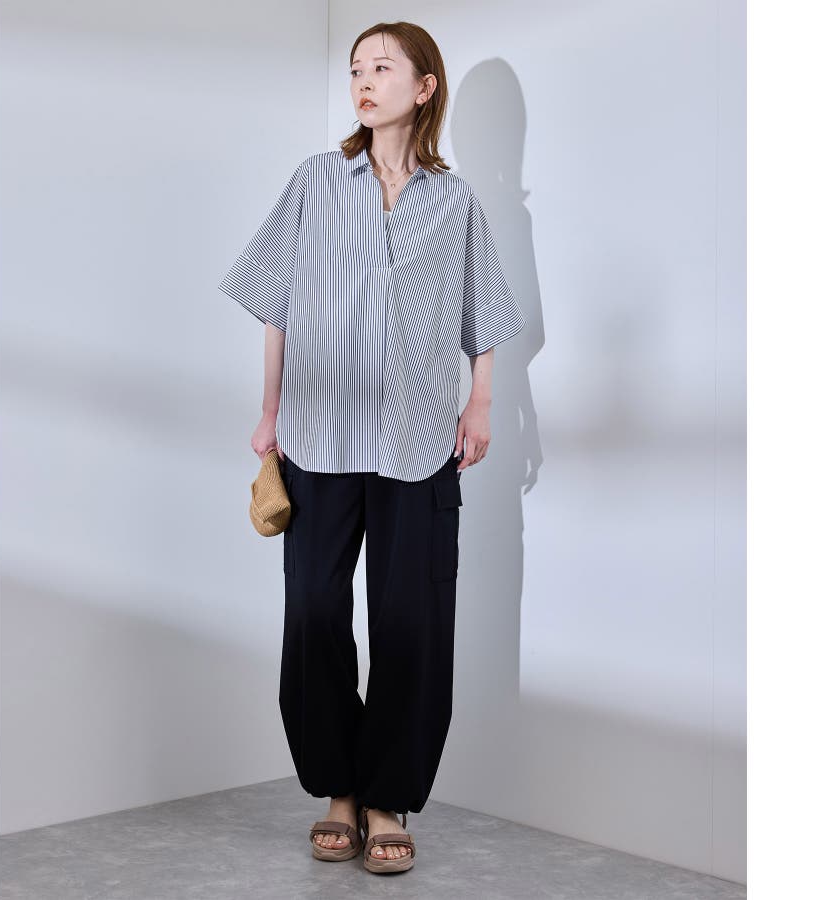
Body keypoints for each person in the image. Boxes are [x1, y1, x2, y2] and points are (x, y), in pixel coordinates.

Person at [218, 21, 525, 874]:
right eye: (356, 67)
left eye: (383, 67)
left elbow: (483, 311)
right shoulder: (315, 181)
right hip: (319, 434)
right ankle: (338, 790)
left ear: (424, 88)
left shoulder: (456, 202)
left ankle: (388, 797)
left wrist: (482, 404)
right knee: (315, 610)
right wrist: (269, 411)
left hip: (419, 436)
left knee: (409, 620)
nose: (363, 79)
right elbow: (278, 303)